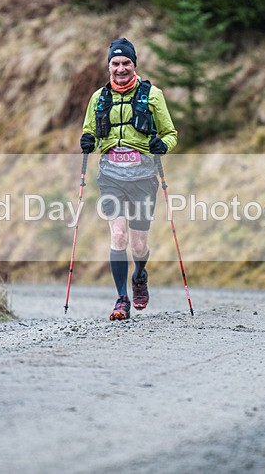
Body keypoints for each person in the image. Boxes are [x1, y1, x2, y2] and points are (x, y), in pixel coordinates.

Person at [80, 37, 178, 321]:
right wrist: (88, 139)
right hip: (111, 175)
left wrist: (164, 146)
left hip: (144, 176)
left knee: (138, 245)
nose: (121, 68)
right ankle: (121, 299)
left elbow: (170, 133)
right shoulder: (99, 98)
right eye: (115, 63)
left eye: (126, 63)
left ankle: (140, 275)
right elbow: (91, 131)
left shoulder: (153, 95)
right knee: (119, 236)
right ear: (108, 65)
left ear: (134, 65)